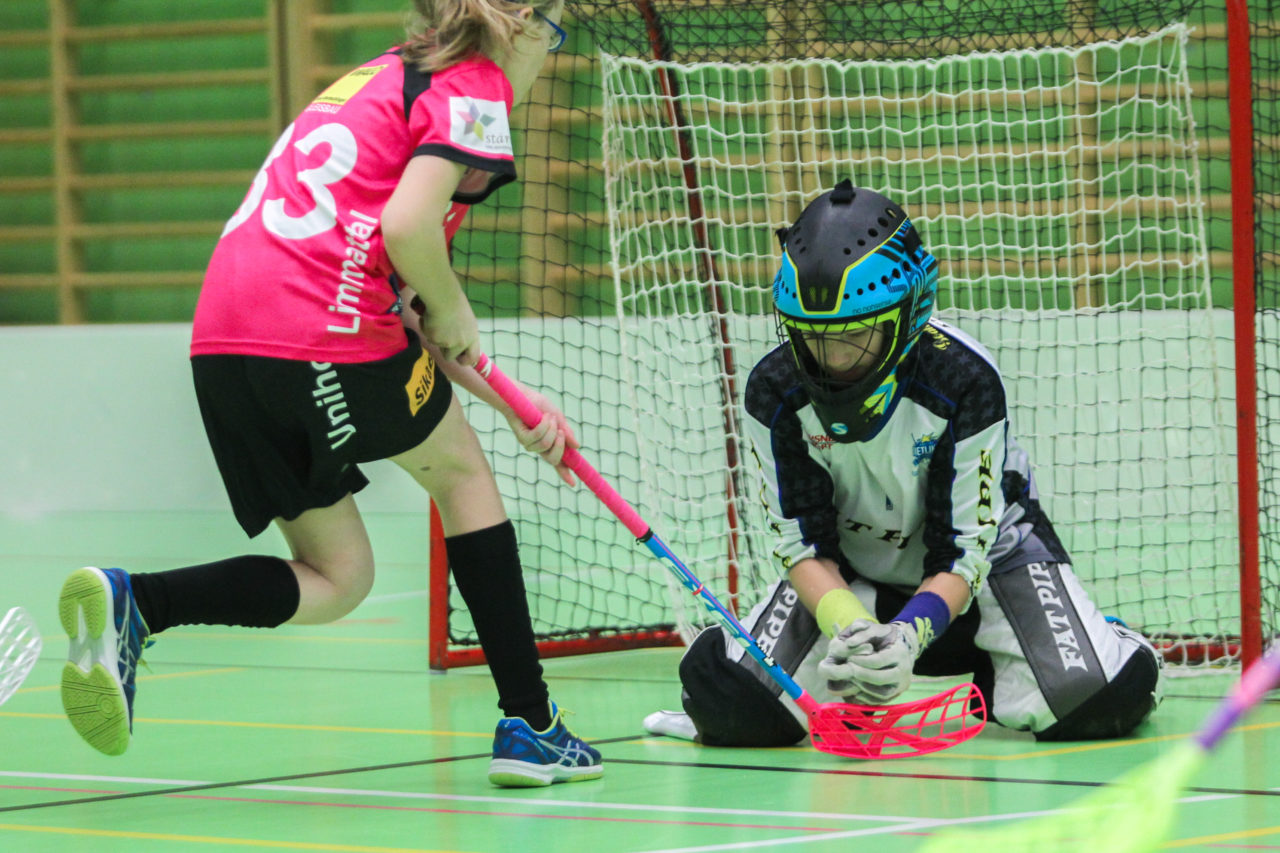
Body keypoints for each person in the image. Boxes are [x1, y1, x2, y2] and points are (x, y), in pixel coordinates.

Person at [57, 0, 604, 788]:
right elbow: (408, 231)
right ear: (517, 23)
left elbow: (407, 310)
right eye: (552, 32)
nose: (548, 52)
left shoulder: (381, 76)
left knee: (338, 575)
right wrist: (456, 306)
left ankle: (136, 602)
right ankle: (532, 722)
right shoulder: (475, 85)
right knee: (462, 476)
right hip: (316, 326)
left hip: (223, 342)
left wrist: (511, 401)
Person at [643, 180, 1164, 747]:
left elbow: (964, 553)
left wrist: (909, 639)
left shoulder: (965, 381)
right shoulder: (774, 390)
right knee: (734, 707)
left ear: (907, 313)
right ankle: (1006, 667)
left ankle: (1099, 646)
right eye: (814, 340)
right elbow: (803, 545)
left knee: (1098, 698)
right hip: (850, 576)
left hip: (989, 571)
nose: (833, 361)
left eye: (856, 339)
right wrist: (849, 625)